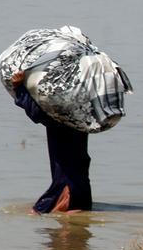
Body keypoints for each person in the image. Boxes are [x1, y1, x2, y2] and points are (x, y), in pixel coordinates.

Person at [10, 70, 91, 214]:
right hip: (79, 178)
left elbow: (37, 114)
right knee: (76, 215)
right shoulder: (81, 107)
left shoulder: (61, 111)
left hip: (66, 180)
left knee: (38, 213)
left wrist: (19, 88)